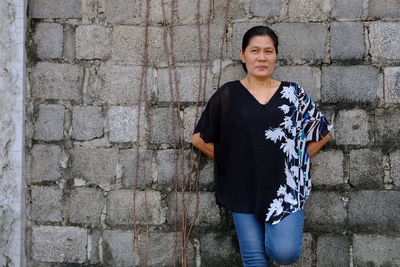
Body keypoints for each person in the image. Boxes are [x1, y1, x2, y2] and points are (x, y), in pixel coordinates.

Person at [191, 26, 332, 267]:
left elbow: (323, 132)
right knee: (255, 259)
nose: (262, 57)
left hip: (285, 189)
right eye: (254, 50)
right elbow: (199, 138)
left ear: (276, 55)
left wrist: (296, 161)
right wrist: (233, 163)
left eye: (268, 51)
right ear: (243, 54)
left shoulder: (293, 93)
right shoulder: (228, 94)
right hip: (242, 186)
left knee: (284, 253)